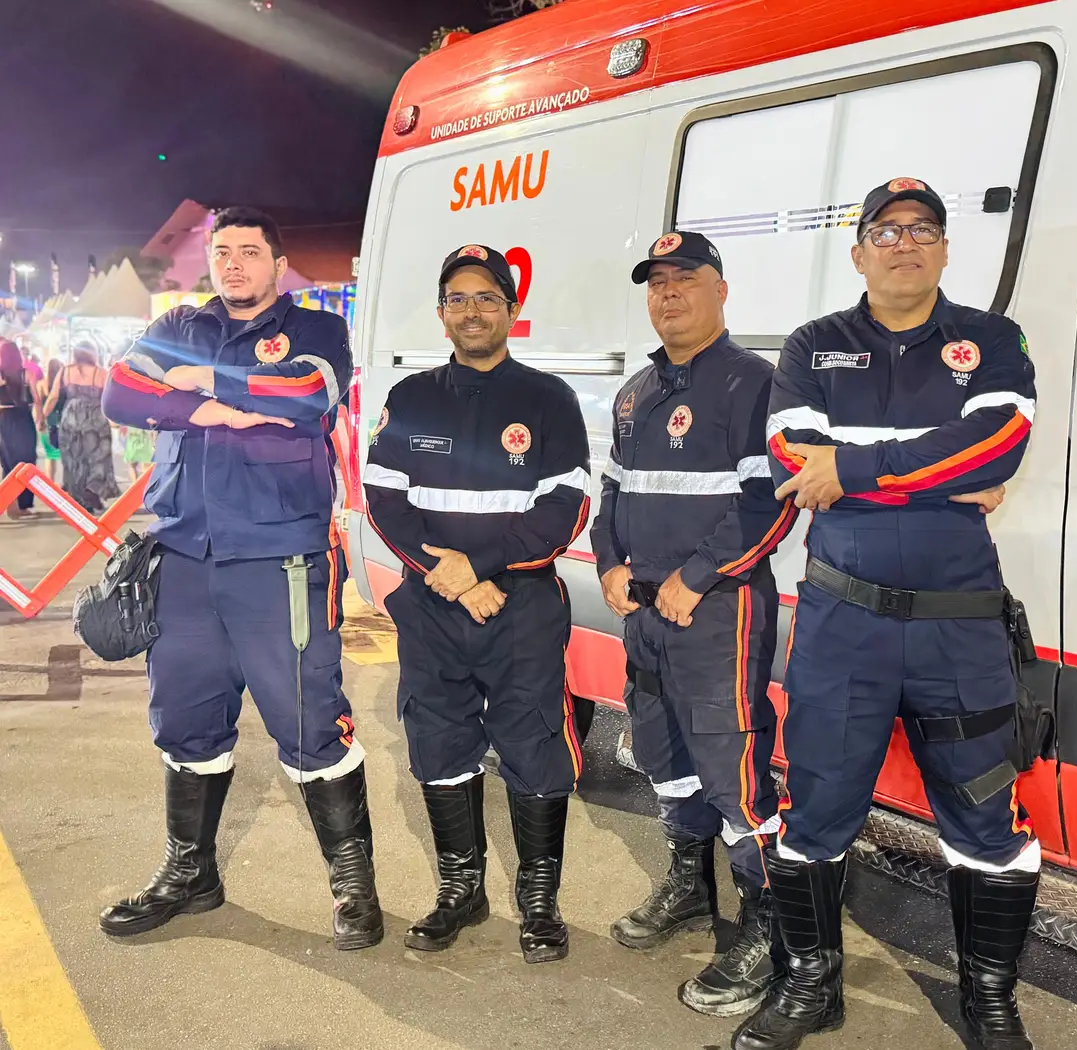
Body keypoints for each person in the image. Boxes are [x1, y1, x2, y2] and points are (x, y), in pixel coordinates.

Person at [732, 178, 1037, 1050]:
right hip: (844, 626)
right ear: (859, 252)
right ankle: (810, 987)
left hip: (959, 630)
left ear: (944, 248)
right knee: (816, 811)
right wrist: (939, 474)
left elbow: (997, 444)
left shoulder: (991, 339)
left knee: (986, 818)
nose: (906, 242)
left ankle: (988, 1002)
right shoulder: (814, 345)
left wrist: (855, 471)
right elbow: (793, 457)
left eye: (923, 229)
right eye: (887, 230)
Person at [98, 206, 379, 950]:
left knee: (309, 722)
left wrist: (198, 381)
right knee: (186, 720)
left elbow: (306, 393)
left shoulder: (319, 329)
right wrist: (218, 409)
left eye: (249, 252)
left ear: (277, 265)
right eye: (222, 251)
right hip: (185, 558)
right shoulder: (178, 324)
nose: (233, 264)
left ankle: (354, 887)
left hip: (279, 560)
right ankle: (191, 874)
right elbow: (120, 393)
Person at [363, 244, 590, 964]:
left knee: (534, 746)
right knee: (437, 742)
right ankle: (461, 891)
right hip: (434, 603)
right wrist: (453, 575)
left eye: (487, 297)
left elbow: (566, 506)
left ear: (511, 311)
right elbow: (383, 498)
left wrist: (482, 567)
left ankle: (540, 902)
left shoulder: (549, 399)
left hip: (520, 606)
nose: (472, 311)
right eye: (457, 299)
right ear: (441, 314)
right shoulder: (411, 397)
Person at [591, 231, 797, 1016]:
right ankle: (688, 885)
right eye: (657, 282)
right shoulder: (636, 391)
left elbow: (770, 502)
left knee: (732, 769)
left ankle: (769, 929)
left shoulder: (755, 384)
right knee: (664, 755)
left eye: (686, 278)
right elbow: (612, 491)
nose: (669, 293)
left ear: (721, 289)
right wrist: (607, 563)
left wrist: (697, 577)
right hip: (643, 611)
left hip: (718, 613)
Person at [46, 342, 120, 514]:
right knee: (98, 458)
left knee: (73, 460)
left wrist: (42, 416)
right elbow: (111, 399)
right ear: (92, 353)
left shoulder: (65, 371)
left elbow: (53, 396)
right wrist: (118, 419)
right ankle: (92, 492)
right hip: (95, 420)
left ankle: (78, 498)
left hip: (71, 420)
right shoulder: (101, 373)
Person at [0, 340, 40, 519]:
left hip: (4, 419)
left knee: (8, 463)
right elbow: (36, 399)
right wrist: (40, 418)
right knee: (26, 461)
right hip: (24, 418)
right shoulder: (27, 374)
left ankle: (9, 504)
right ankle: (23, 504)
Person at [34, 358, 63, 483]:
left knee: (50, 455)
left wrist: (38, 420)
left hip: (46, 422)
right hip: (62, 421)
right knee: (67, 456)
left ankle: (50, 483)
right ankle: (67, 485)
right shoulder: (64, 384)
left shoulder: (41, 384)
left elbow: (38, 404)